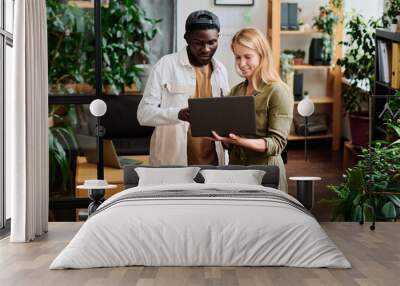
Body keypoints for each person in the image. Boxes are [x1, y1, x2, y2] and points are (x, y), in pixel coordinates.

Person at [137, 10, 229, 166]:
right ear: (186, 38)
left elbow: (226, 117)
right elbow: (144, 114)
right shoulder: (165, 65)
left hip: (215, 164)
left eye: (212, 42)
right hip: (173, 163)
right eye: (198, 43)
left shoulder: (221, 70)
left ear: (218, 38)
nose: (206, 49)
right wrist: (177, 114)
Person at [211, 28, 293, 192]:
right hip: (236, 171)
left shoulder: (277, 91)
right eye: (238, 57)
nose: (241, 63)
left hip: (265, 174)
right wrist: (223, 137)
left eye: (248, 57)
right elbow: (230, 139)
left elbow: (276, 144)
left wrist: (239, 141)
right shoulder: (235, 92)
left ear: (262, 55)